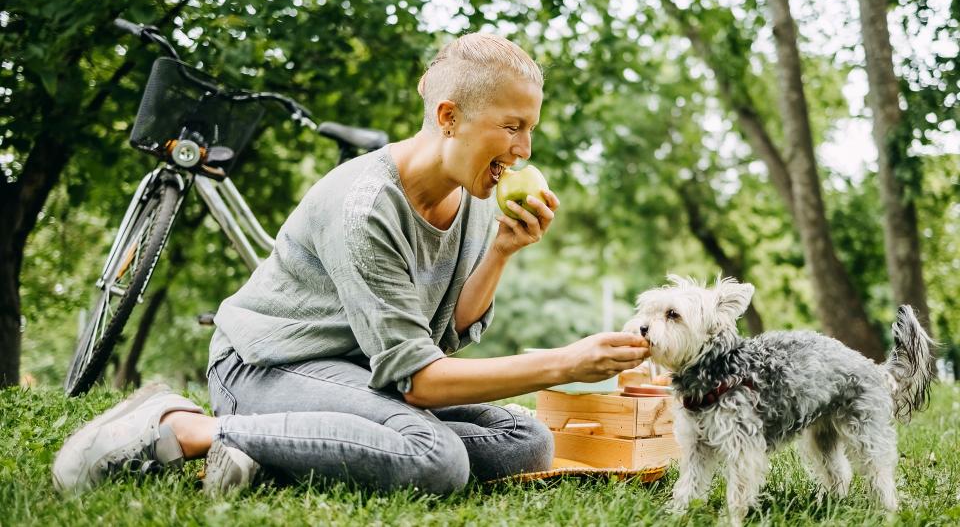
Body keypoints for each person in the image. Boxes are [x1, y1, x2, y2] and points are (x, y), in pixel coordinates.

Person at [52, 33, 650, 495]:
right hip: (267, 368)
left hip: (358, 373)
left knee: (526, 439)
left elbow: (440, 339)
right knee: (437, 459)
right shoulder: (366, 206)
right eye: (512, 128)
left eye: (530, 130)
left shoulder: (472, 198)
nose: (524, 151)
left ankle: (271, 454)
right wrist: (565, 363)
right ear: (449, 117)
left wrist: (500, 250)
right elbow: (420, 381)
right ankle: (185, 428)